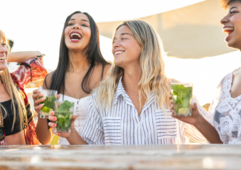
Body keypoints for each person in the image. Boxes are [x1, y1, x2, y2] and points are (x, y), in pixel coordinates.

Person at [49, 20, 208, 145]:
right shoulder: (102, 97)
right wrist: (70, 134)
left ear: (145, 43)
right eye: (114, 40)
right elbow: (90, 150)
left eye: (123, 38)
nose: (115, 44)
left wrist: (199, 121)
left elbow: (214, 138)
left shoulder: (177, 91)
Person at [170, 0, 241, 144]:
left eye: (233, 12)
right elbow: (223, 144)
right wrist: (197, 120)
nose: (223, 20)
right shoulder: (225, 83)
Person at [33, 11, 111, 145]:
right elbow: (45, 140)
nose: (75, 26)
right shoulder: (51, 79)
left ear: (93, 36)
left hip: (101, 159)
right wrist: (41, 113)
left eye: (84, 24)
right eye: (70, 24)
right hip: (65, 160)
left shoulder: (109, 73)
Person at [0, 25, 47, 145]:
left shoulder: (15, 81)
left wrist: (2, 56)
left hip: (24, 162)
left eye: (3, 44)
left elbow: (37, 57)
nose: (3, 49)